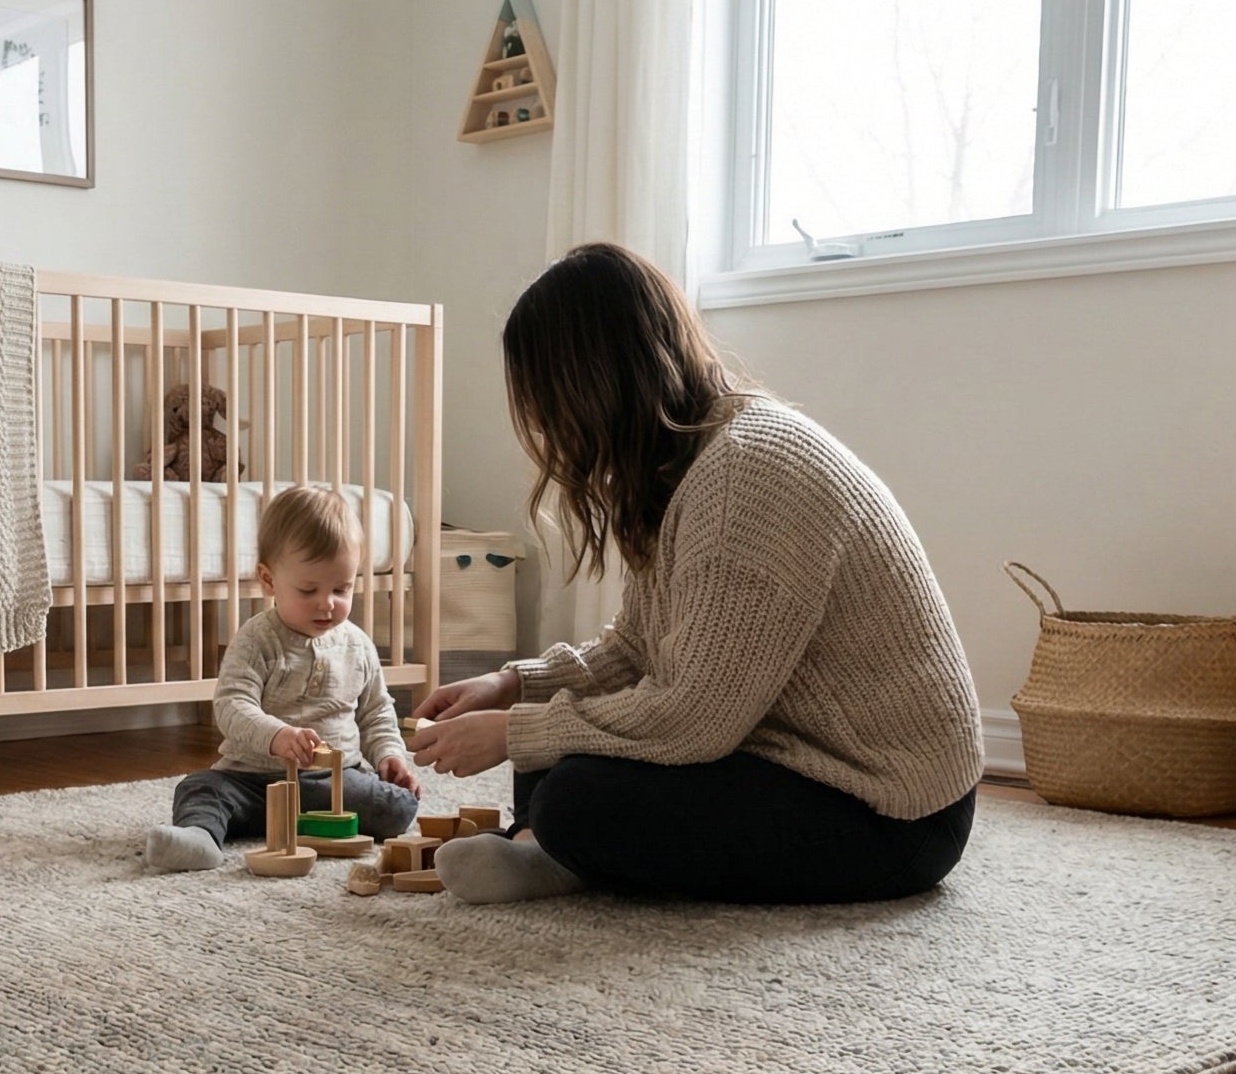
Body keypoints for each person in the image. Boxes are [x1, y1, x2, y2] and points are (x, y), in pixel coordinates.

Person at [408, 243, 981, 905]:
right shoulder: (695, 463)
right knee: (558, 750)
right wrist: (513, 685)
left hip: (893, 812)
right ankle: (551, 850)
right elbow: (636, 650)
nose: (542, 426)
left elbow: (694, 717)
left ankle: (555, 849)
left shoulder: (745, 476)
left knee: (572, 792)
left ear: (588, 386)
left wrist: (515, 731)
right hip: (794, 757)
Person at [144, 485, 420, 870]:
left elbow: (375, 714)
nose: (327, 603)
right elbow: (232, 706)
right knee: (200, 789)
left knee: (398, 805)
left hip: (333, 784)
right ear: (269, 580)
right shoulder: (257, 639)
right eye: (308, 590)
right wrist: (277, 736)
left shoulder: (358, 645)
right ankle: (200, 839)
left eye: (342, 589)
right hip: (254, 782)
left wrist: (390, 755)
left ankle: (316, 820)